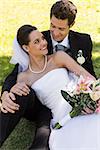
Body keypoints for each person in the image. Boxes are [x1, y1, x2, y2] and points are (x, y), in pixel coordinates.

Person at [0, 0, 96, 149]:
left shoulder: (82, 41)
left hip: (75, 98)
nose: (55, 32)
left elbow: (88, 74)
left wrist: (92, 96)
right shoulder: (37, 38)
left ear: (71, 25)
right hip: (45, 106)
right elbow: (14, 76)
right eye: (52, 26)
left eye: (61, 28)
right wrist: (6, 92)